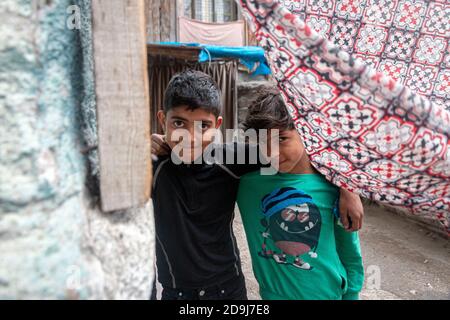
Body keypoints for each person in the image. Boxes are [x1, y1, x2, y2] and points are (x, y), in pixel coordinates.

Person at [151, 70, 363, 300]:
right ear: (163, 120)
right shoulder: (152, 168)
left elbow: (305, 151)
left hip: (231, 288)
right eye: (179, 123)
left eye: (203, 125)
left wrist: (347, 185)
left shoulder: (234, 161)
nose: (191, 137)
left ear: (218, 125)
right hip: (182, 291)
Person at [236, 92, 364, 299]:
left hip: (327, 294)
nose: (272, 153)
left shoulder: (333, 189)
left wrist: (352, 294)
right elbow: (203, 154)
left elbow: (349, 252)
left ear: (306, 131)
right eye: (263, 142)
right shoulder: (247, 185)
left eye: (282, 139)